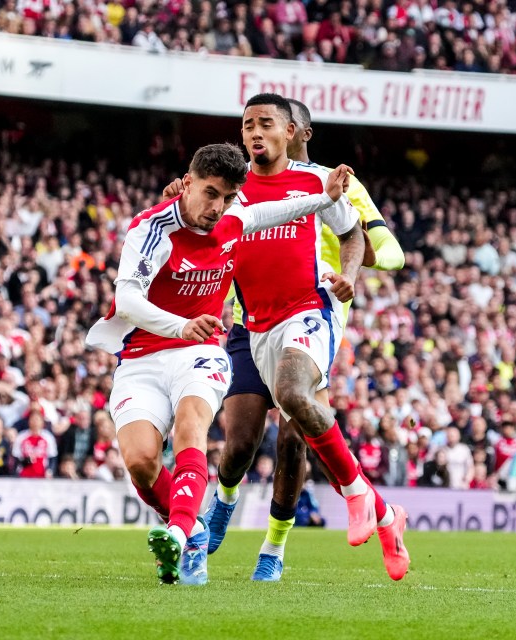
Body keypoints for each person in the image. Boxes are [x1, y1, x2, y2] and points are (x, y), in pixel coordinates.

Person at [163, 97, 409, 581]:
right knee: (238, 447)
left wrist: (348, 275)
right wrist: (183, 199)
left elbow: (364, 239)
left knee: (295, 426)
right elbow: (194, 225)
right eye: (247, 125)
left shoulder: (324, 179)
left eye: (265, 124)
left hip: (309, 310)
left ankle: (277, 547)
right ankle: (376, 513)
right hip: (249, 324)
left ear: (293, 131)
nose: (254, 132)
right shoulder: (232, 188)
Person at [86, 142, 351, 585]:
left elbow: (273, 213)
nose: (218, 208)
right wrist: (178, 325)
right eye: (210, 194)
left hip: (202, 350)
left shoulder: (233, 218)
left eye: (228, 198)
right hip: (142, 356)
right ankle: (195, 526)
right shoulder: (150, 229)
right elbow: (127, 299)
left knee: (192, 426)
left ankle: (180, 534)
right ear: (187, 182)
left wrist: (325, 198)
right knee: (140, 461)